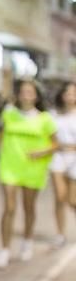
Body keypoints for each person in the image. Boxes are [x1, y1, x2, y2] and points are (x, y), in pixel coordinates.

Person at [0, 81, 58, 269]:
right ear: (18, 94)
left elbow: (55, 144)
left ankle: (27, 239)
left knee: (29, 207)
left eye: (30, 92)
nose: (26, 94)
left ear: (36, 95)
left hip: (33, 168)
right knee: (9, 207)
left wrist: (41, 152)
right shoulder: (9, 113)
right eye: (23, 91)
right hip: (10, 165)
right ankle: (4, 249)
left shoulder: (45, 118)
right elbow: (0, 134)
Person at [49, 82, 76, 247]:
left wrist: (66, 146)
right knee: (60, 197)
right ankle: (60, 234)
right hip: (57, 158)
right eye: (68, 93)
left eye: (74, 93)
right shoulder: (53, 114)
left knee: (73, 201)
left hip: (75, 159)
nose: (71, 96)